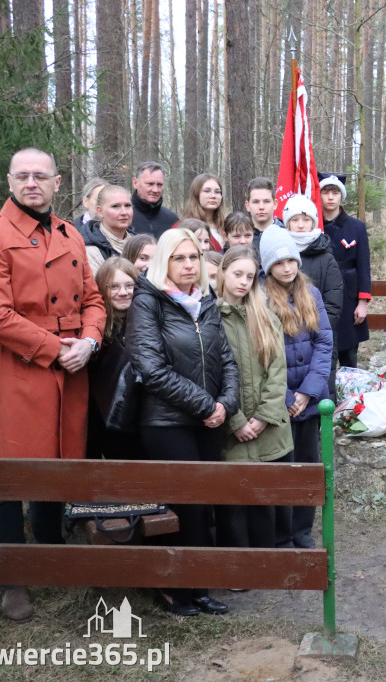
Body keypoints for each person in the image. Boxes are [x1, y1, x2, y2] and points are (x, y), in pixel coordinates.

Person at [0, 147, 107, 623]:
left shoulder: (69, 233)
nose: (31, 183)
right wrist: (56, 348)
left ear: (57, 182)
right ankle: (12, 576)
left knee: (61, 458)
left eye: (40, 176)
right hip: (22, 370)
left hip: (72, 368)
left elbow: (93, 298)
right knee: (9, 472)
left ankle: (49, 548)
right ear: (10, 181)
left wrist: (88, 340)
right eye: (22, 176)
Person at [126, 227, 239, 616]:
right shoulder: (148, 302)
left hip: (209, 420)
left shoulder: (205, 301)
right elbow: (151, 369)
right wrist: (206, 405)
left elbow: (226, 359)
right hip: (167, 422)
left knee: (204, 507)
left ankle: (201, 587)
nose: (189, 265)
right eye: (180, 258)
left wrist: (226, 402)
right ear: (164, 262)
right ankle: (176, 589)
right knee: (182, 507)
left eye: (194, 257)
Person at [215, 246, 294, 551]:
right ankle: (236, 568)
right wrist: (235, 421)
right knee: (232, 504)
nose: (243, 282)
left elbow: (278, 372)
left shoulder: (265, 317)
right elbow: (211, 376)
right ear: (222, 273)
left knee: (264, 500)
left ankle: (265, 564)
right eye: (237, 274)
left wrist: (262, 417)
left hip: (269, 428)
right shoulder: (210, 319)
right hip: (230, 428)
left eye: (249, 276)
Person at [260, 225, 333, 549]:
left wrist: (307, 392)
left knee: (307, 465)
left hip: (311, 398)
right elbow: (261, 354)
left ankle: (303, 529)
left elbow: (324, 343)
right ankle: (280, 533)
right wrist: (288, 397)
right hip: (278, 401)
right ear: (268, 267)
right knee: (281, 469)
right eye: (279, 263)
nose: (287, 267)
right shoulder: (260, 299)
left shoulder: (311, 294)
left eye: (291, 260)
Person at [282, 194, 343, 394]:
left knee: (320, 396)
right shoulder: (279, 256)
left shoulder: (326, 258)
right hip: (284, 341)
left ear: (313, 222)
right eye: (295, 220)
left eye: (306, 219)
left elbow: (333, 304)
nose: (301, 225)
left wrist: (310, 329)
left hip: (318, 339)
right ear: (287, 223)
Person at [88, 257, 144, 460]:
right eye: (115, 287)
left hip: (140, 419)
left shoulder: (145, 323)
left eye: (129, 285)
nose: (123, 292)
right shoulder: (97, 330)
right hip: (104, 418)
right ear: (103, 289)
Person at [319, 173, 372, 369]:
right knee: (323, 353)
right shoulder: (312, 226)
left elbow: (364, 266)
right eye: (325, 192)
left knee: (348, 354)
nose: (330, 197)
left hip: (348, 298)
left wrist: (363, 303)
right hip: (322, 294)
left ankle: (350, 396)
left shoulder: (356, 227)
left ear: (341, 196)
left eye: (335, 192)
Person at [83, 184, 133, 275]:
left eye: (127, 205)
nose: (124, 212)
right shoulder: (92, 251)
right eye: (115, 206)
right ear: (100, 211)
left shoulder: (137, 243)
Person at [130, 161, 179, 238]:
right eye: (150, 184)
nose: (155, 190)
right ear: (135, 183)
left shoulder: (172, 219)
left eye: (159, 185)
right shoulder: (124, 216)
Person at [183, 172, 226, 251]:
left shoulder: (227, 226)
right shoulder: (184, 228)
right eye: (207, 191)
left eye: (217, 192)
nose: (213, 196)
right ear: (196, 194)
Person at [244, 177, 281, 253]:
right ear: (247, 205)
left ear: (275, 204)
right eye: (256, 202)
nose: (261, 207)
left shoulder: (287, 235)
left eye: (266, 201)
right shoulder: (240, 238)